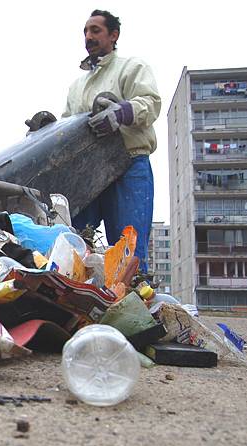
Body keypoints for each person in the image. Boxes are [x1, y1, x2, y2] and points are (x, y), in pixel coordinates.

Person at [62, 9, 161, 272]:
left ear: (113, 35)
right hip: (88, 175)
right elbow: (67, 126)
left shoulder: (132, 68)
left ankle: (134, 304)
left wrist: (120, 113)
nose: (88, 36)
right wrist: (48, 127)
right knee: (74, 244)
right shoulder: (77, 86)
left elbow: (150, 103)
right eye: (85, 31)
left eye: (95, 30)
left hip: (128, 166)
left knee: (128, 254)